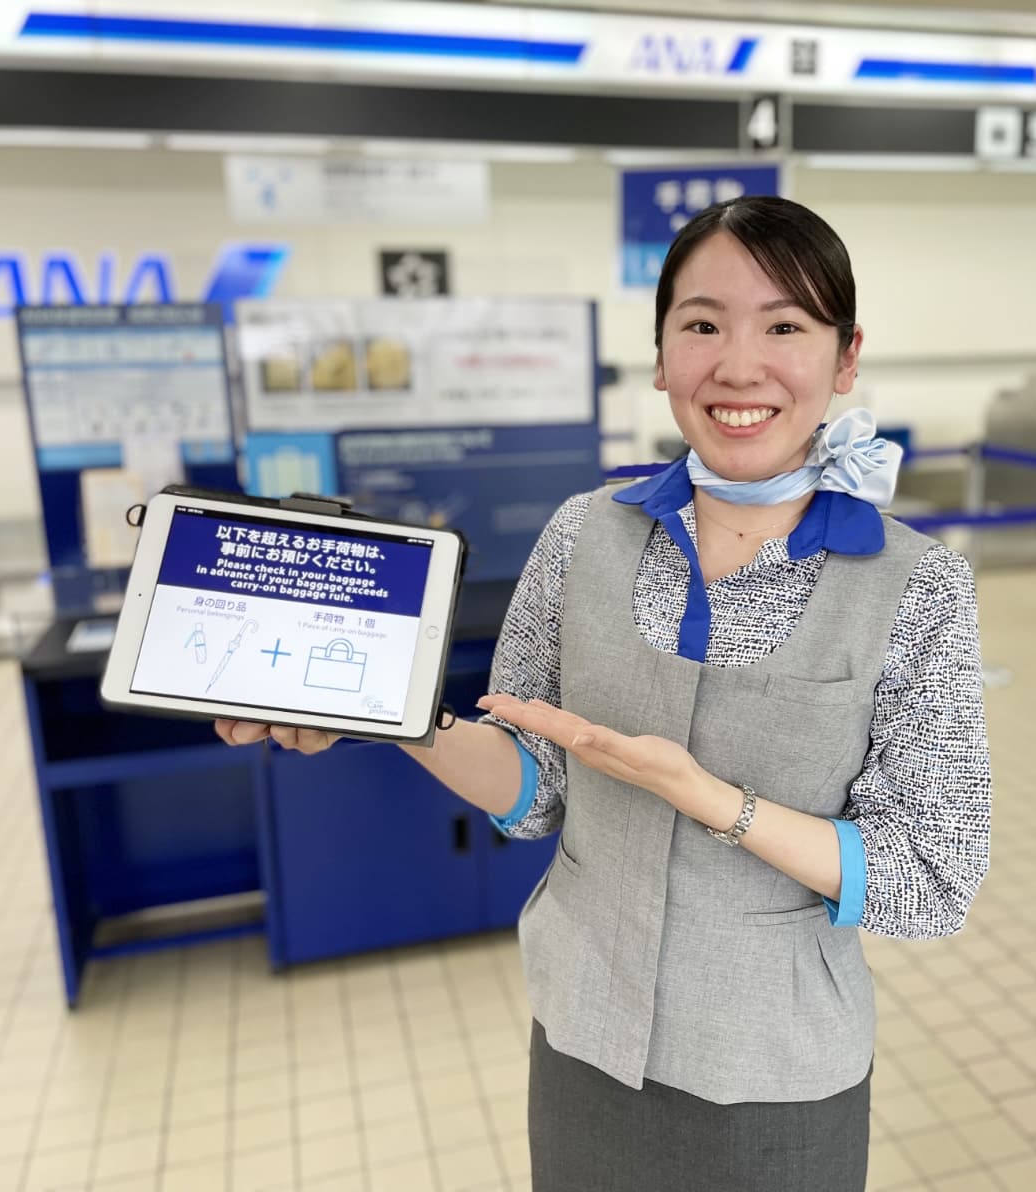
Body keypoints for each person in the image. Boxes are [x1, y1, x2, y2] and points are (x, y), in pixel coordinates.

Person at [216, 195, 992, 1190]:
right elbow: (535, 785)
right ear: (661, 354)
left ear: (843, 360)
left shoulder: (915, 585)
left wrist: (711, 800)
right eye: (701, 324)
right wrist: (396, 713)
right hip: (583, 1035)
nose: (738, 365)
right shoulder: (586, 531)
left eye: (784, 326)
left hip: (777, 1069)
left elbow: (930, 873)